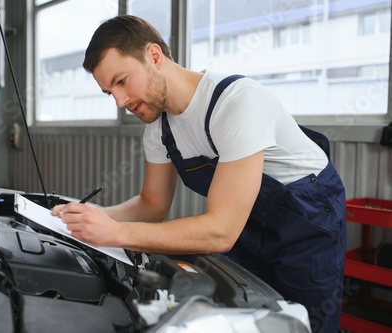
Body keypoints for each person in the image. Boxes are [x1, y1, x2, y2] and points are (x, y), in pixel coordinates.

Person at [52, 15, 346, 333]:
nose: (121, 102)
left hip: (308, 218)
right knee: (250, 316)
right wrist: (88, 218)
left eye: (122, 81)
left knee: (303, 323)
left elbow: (221, 230)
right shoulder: (159, 129)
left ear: (154, 56)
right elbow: (152, 204)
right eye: (110, 92)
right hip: (250, 224)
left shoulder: (236, 102)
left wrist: (116, 233)